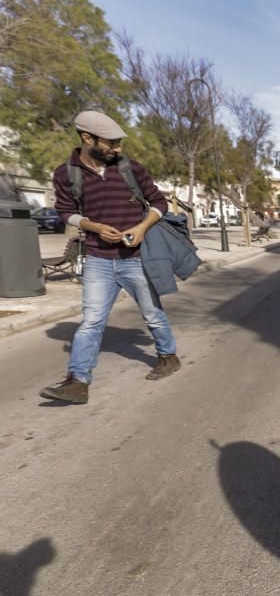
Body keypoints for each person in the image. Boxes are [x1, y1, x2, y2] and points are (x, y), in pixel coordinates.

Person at [39, 111, 181, 405]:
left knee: (152, 313)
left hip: (136, 258)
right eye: (111, 143)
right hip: (98, 260)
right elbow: (66, 212)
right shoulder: (66, 173)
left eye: (119, 143)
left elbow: (159, 202)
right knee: (91, 321)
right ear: (87, 138)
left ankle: (168, 357)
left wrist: (142, 228)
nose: (117, 149)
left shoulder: (131, 168)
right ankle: (78, 381)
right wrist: (93, 226)